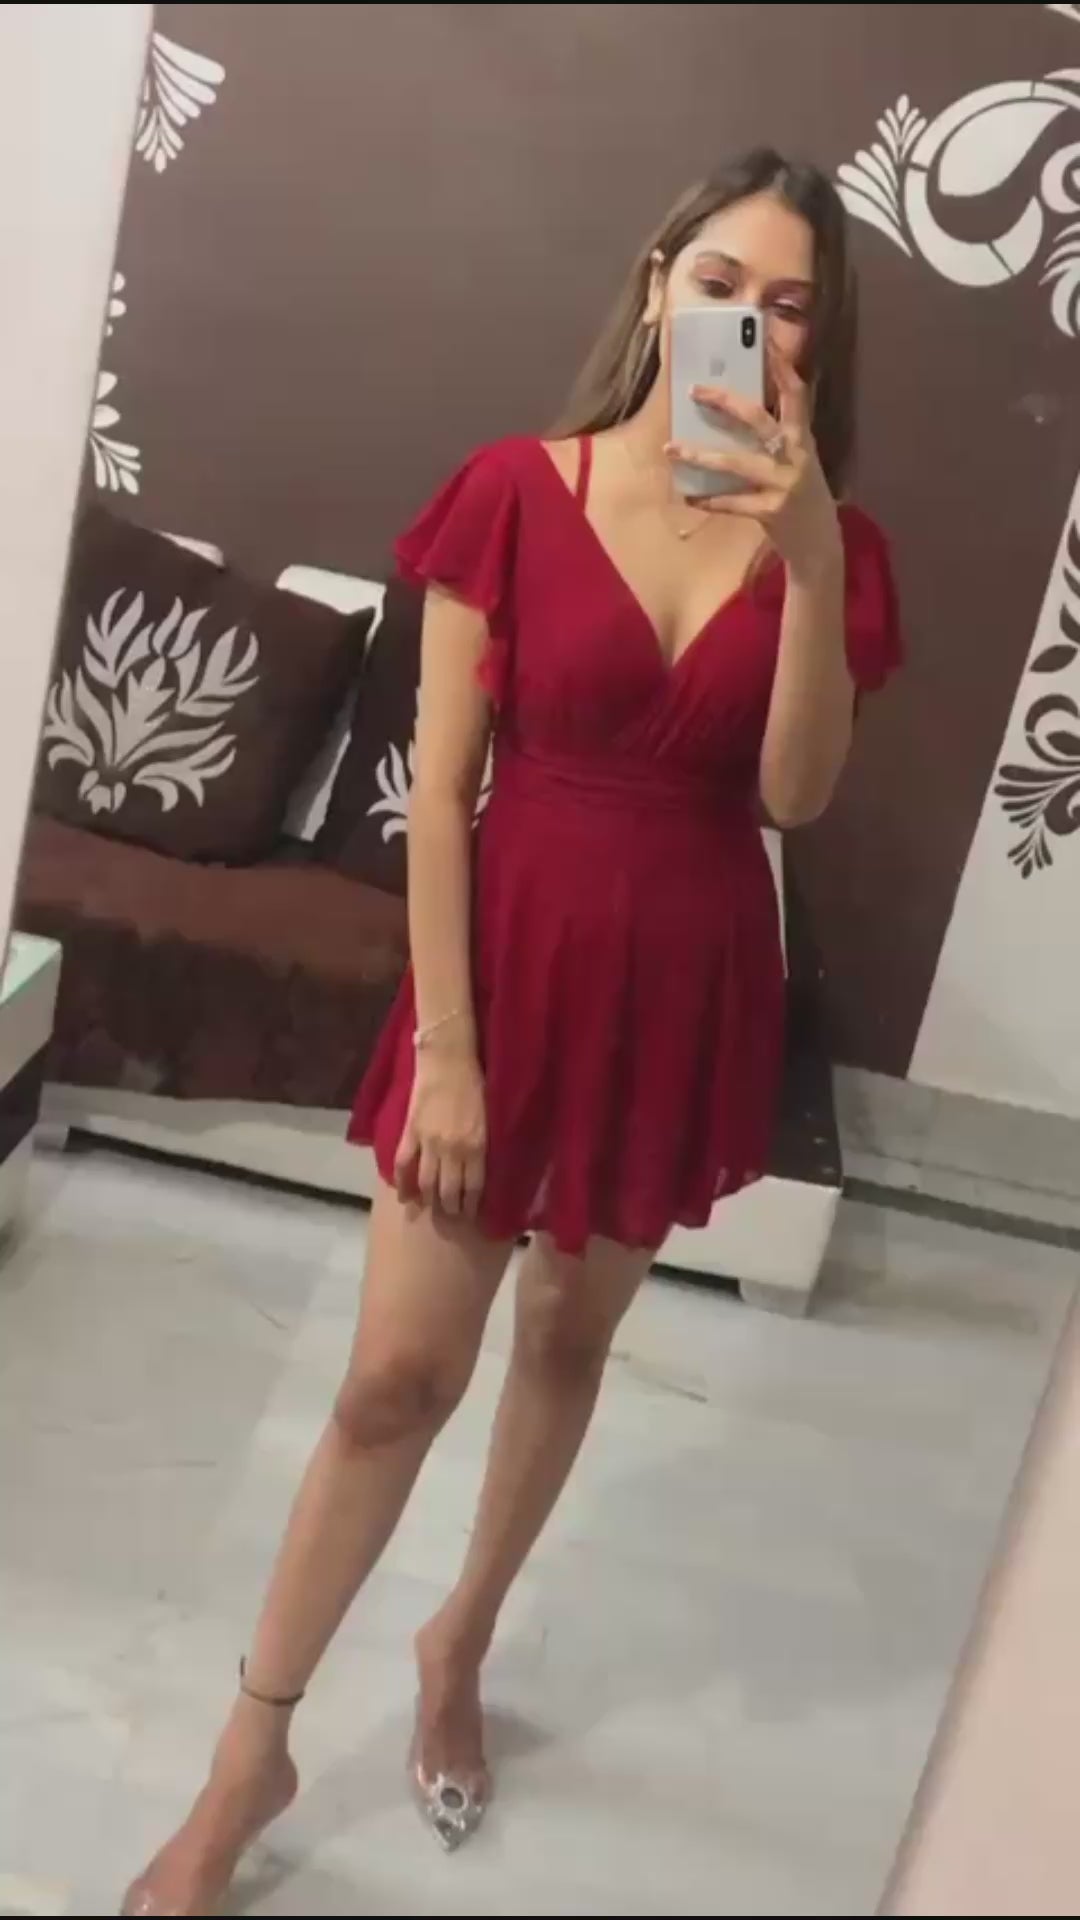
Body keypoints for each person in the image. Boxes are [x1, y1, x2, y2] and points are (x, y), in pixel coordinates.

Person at [123, 147, 900, 1915]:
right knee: (394, 1380)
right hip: (506, 980)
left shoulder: (837, 549)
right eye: (722, 283)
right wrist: (453, 1052)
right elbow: (443, 795)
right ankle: (251, 1753)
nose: (750, 323)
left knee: (567, 1337)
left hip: (684, 985)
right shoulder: (515, 489)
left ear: (820, 341)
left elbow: (791, 795)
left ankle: (458, 1640)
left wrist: (803, 554)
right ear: (657, 285)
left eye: (790, 306)